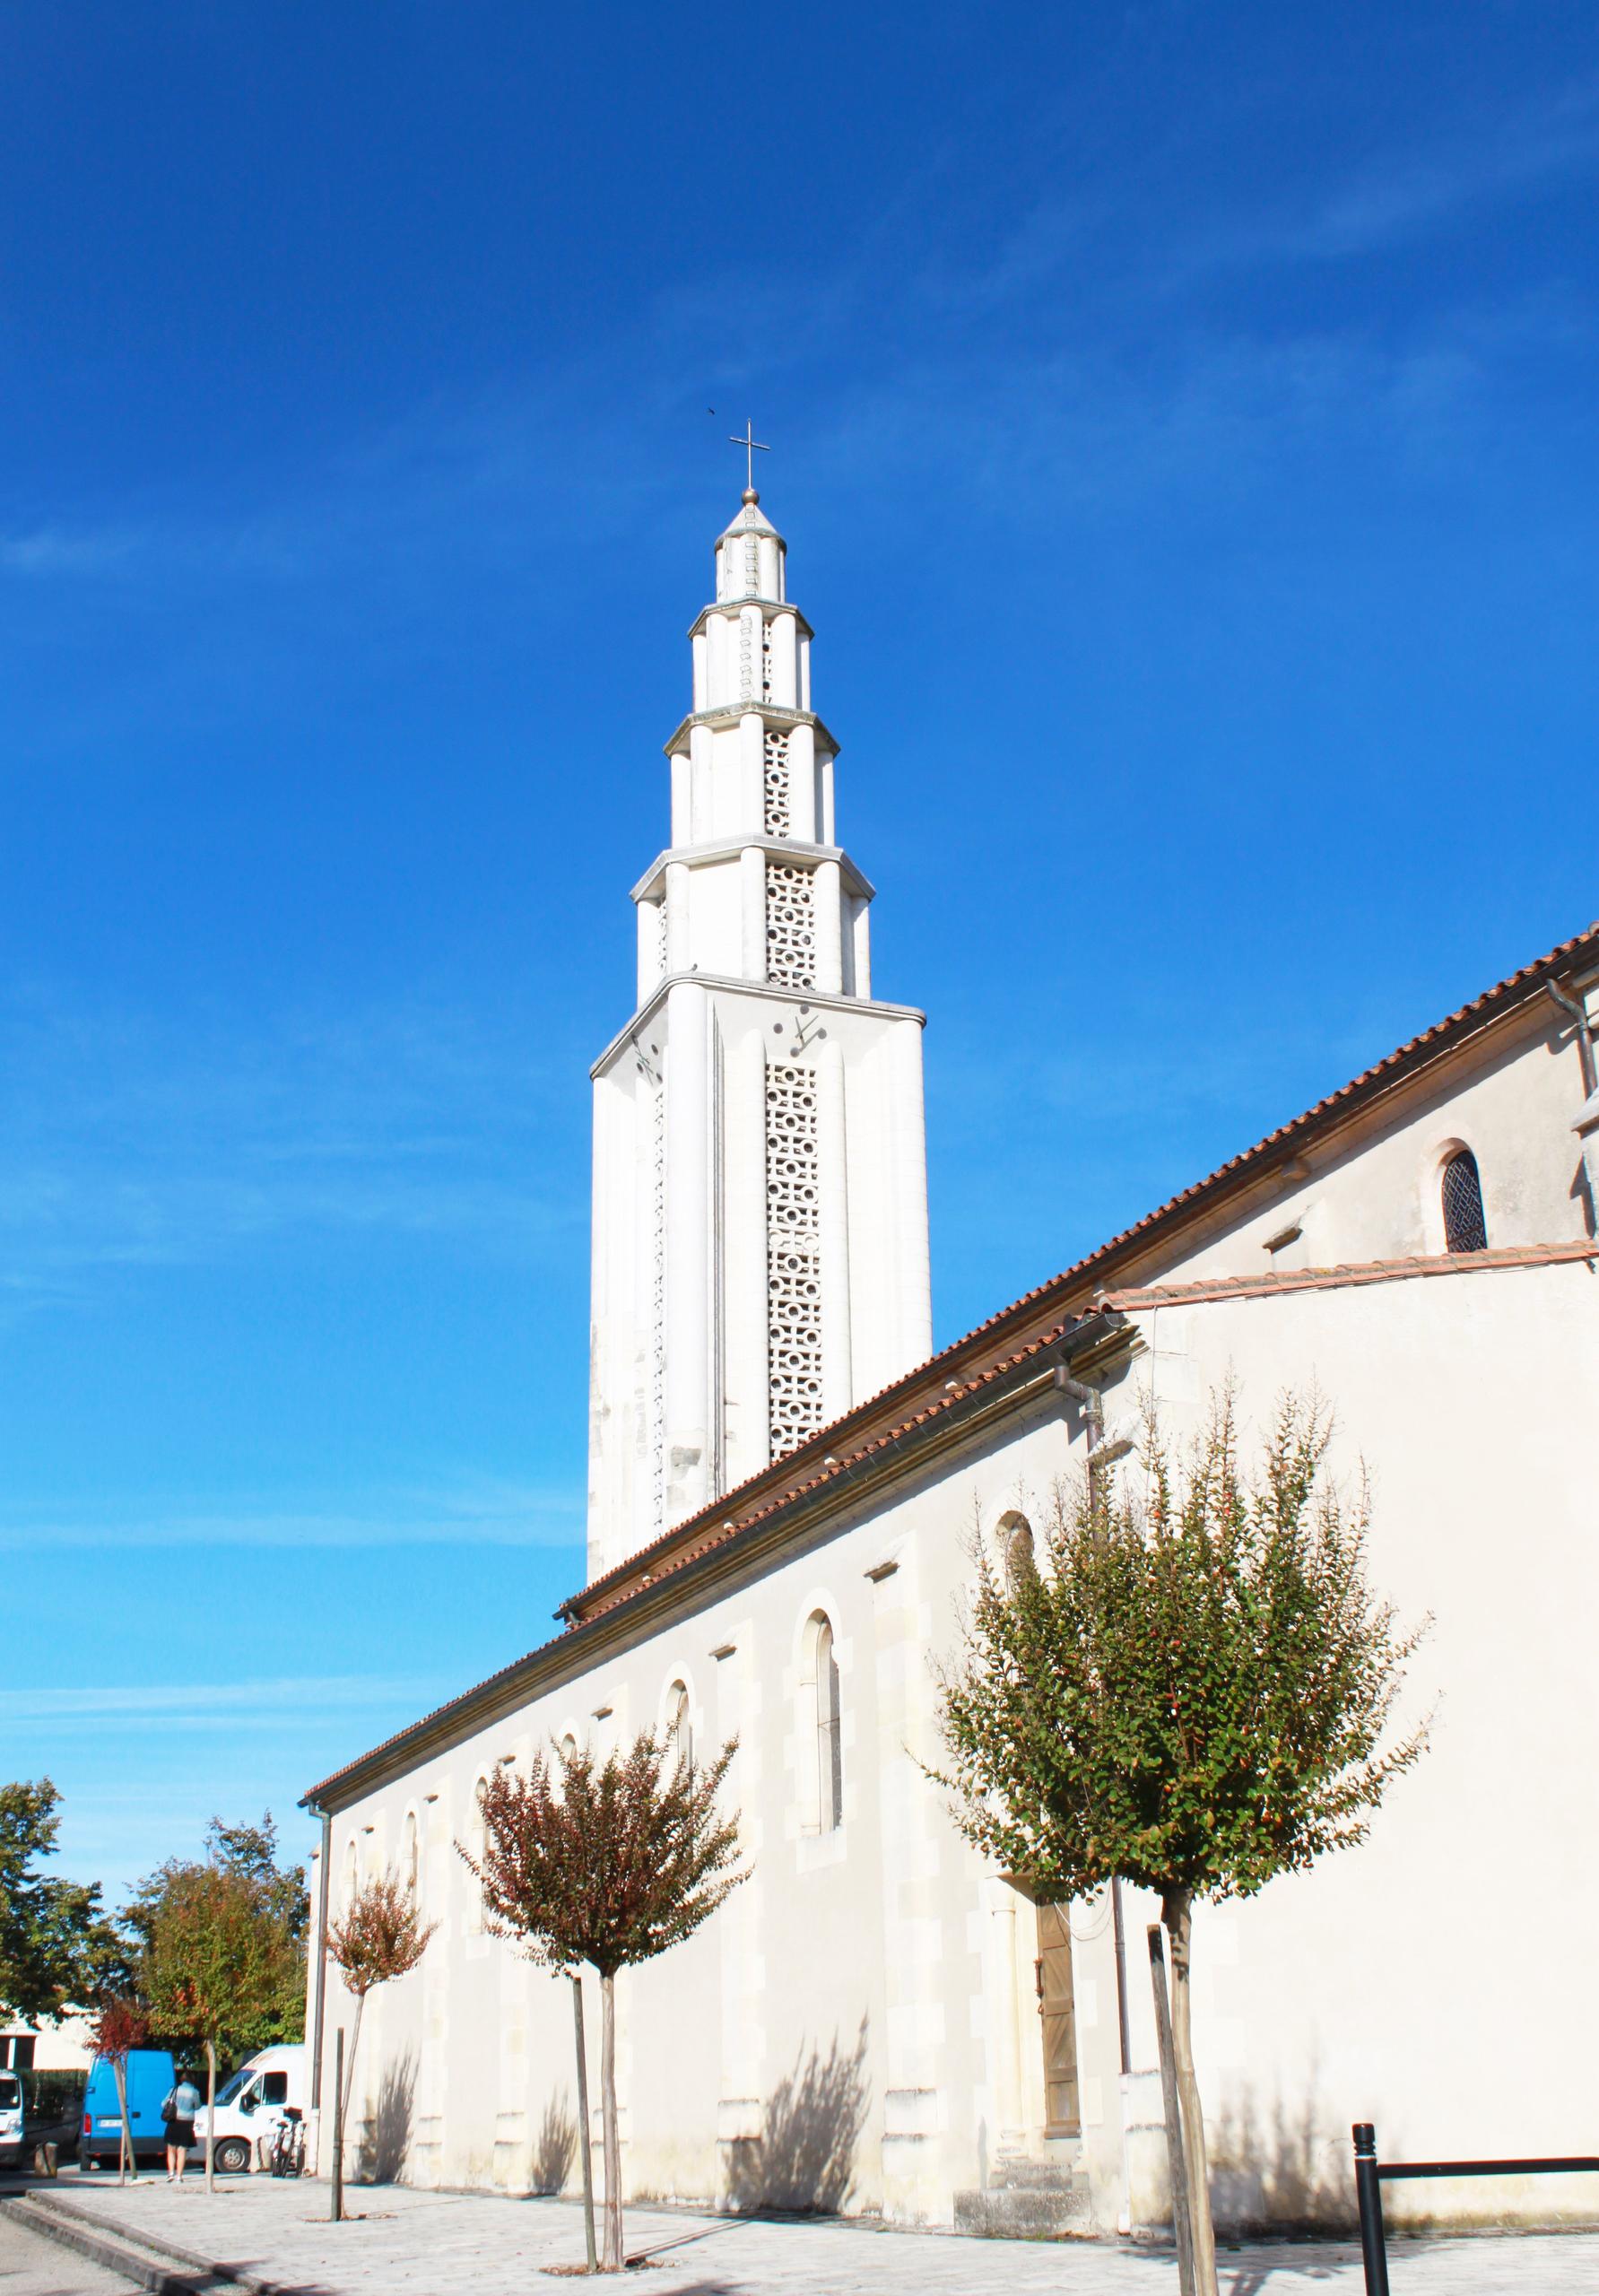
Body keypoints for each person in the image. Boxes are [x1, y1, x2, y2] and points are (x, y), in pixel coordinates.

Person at [161, 2070, 202, 2183]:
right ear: (192, 2080)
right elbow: (198, 2106)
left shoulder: (174, 2090)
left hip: (174, 2120)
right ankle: (179, 2176)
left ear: (181, 2079)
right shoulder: (194, 2092)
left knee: (171, 2148)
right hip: (187, 2122)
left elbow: (163, 2103)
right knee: (182, 2149)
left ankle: (171, 2173)